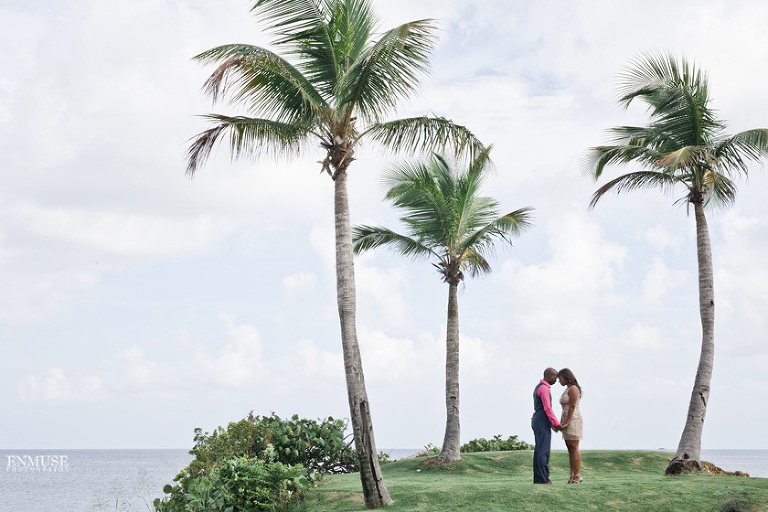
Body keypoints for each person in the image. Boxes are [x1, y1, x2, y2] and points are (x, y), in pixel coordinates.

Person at [531, 367, 561, 484]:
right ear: (549, 376)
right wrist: (556, 423)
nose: (556, 380)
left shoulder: (539, 386)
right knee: (543, 451)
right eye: (555, 377)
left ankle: (538, 479)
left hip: (538, 419)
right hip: (541, 420)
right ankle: (544, 479)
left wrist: (551, 423)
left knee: (539, 450)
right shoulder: (544, 388)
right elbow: (547, 408)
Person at [557, 368, 583, 484]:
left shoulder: (573, 389)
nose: (559, 381)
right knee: (570, 448)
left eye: (560, 378)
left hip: (573, 420)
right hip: (566, 419)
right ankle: (572, 475)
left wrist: (567, 422)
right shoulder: (567, 389)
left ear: (566, 377)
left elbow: (572, 406)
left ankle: (577, 475)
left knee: (574, 448)